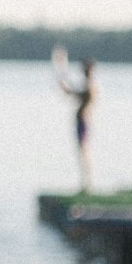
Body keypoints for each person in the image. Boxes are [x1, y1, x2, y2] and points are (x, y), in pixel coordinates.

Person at [58, 60, 96, 193]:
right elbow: (75, 94)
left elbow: (78, 95)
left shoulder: (90, 86)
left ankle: (87, 184)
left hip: (83, 122)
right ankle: (85, 183)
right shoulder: (88, 85)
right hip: (82, 122)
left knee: (83, 152)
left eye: (84, 69)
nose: (82, 71)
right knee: (82, 152)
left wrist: (66, 88)